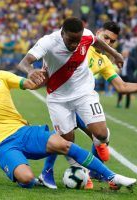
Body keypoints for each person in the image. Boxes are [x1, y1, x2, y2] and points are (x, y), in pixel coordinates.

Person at [0, 53, 137, 190]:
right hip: (3, 145)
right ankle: (37, 178)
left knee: (65, 145)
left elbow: (28, 84)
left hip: (23, 131)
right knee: (27, 180)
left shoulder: (1, 76)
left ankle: (112, 176)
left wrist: (40, 77)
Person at [17, 17, 124, 189]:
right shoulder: (48, 42)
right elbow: (24, 62)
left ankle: (90, 169)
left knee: (102, 135)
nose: (75, 45)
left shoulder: (86, 35)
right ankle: (82, 170)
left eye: (78, 40)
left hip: (83, 93)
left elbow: (95, 41)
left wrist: (115, 53)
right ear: (62, 33)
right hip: (58, 98)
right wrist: (30, 71)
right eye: (71, 40)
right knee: (67, 141)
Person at [75, 22, 137, 182]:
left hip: (81, 100)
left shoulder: (104, 61)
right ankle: (48, 172)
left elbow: (122, 86)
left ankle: (94, 172)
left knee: (101, 135)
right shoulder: (83, 44)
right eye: (106, 37)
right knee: (67, 139)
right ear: (98, 32)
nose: (108, 42)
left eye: (112, 41)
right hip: (62, 97)